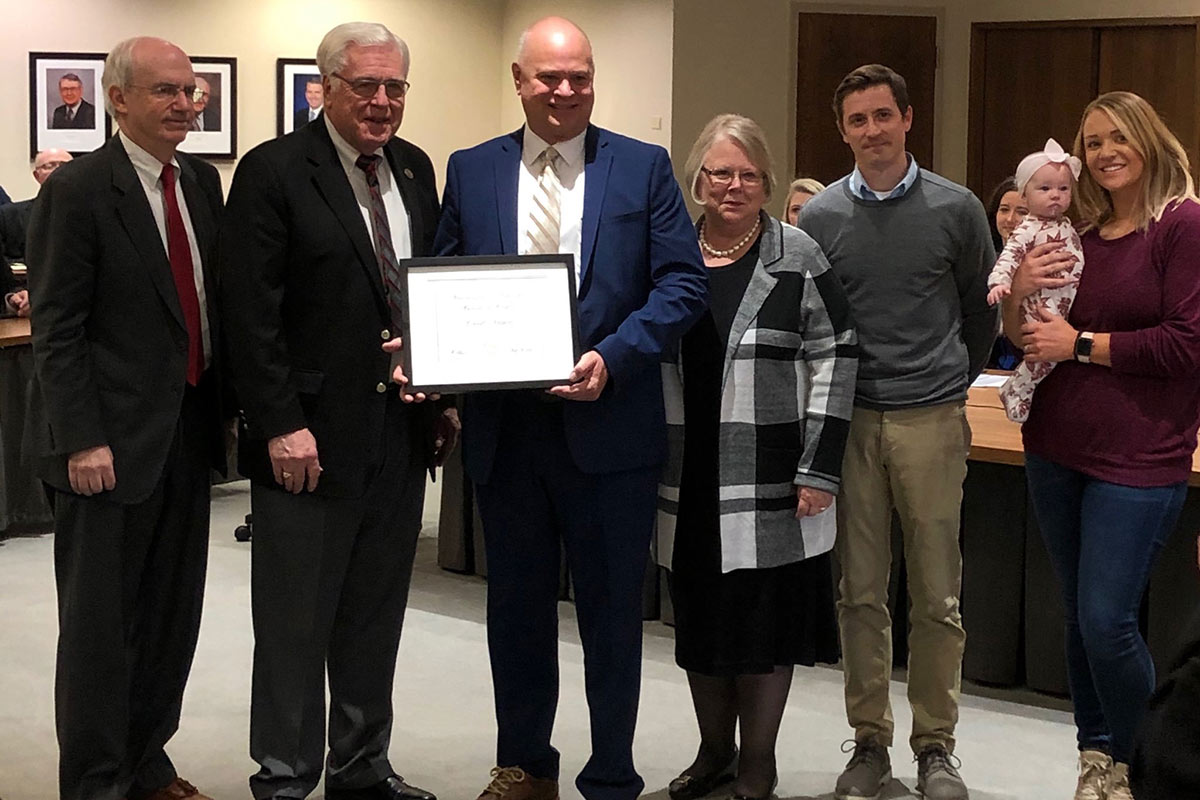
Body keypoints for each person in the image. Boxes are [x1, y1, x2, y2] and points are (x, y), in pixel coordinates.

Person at [434, 16, 707, 800]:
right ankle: (524, 767)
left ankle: (612, 776)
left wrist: (613, 357)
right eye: (549, 77)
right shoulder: (473, 168)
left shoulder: (644, 167)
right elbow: (448, 280)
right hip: (508, 435)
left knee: (612, 620)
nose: (564, 90)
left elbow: (681, 284)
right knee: (514, 615)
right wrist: (429, 347)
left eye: (579, 76)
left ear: (593, 80)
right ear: (519, 81)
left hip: (610, 432)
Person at [219, 21, 456, 800]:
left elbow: (430, 294)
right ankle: (285, 779)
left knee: (373, 617)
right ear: (325, 88)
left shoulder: (416, 170)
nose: (382, 102)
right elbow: (249, 315)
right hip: (307, 443)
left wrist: (444, 388)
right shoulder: (274, 171)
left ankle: (361, 768)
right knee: (294, 625)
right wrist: (280, 423)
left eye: (395, 88)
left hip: (397, 433)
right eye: (366, 86)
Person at [27, 36, 226, 800]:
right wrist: (81, 438)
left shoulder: (201, 185)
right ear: (117, 99)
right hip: (104, 450)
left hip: (185, 437)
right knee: (102, 634)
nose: (183, 105)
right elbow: (58, 326)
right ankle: (97, 781)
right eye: (165, 92)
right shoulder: (77, 192)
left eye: (191, 92)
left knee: (171, 620)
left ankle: (148, 761)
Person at [795, 63, 995, 800]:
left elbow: (981, 313)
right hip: (851, 424)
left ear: (907, 119)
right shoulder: (819, 220)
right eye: (857, 121)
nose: (872, 132)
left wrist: (947, 381)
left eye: (883, 116)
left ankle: (936, 748)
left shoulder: (958, 208)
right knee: (860, 593)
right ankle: (871, 742)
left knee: (939, 596)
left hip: (933, 421)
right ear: (843, 130)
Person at [1005, 90, 1200, 800]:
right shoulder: (1078, 227)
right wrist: (1015, 292)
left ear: (1149, 139)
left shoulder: (1182, 225)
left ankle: (1160, 768)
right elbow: (1024, 330)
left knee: (1106, 619)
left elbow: (1189, 343)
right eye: (1091, 142)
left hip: (1140, 458)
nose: (1105, 151)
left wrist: (1081, 345)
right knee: (1076, 616)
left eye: (1118, 137)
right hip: (1055, 444)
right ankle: (1099, 761)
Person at [657, 114, 856, 800]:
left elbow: (838, 353)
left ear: (767, 182)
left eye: (747, 174)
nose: (732, 186)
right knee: (702, 616)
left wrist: (819, 464)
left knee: (762, 622)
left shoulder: (797, 254)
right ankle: (712, 751)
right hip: (685, 469)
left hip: (773, 470)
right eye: (719, 173)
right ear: (697, 181)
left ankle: (757, 764)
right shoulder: (669, 251)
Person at [987, 139, 1084, 422]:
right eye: (1045, 189)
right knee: (1044, 355)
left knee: (1051, 355)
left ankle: (1020, 388)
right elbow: (1009, 257)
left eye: (1063, 189)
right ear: (1026, 196)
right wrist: (1000, 283)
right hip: (1041, 304)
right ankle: (1017, 389)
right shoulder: (1027, 229)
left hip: (1065, 299)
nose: (1055, 196)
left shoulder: (1067, 225)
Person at [984, 177, 1027, 370]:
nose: (1010, 220)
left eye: (1021, 212)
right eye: (1004, 210)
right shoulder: (981, 259)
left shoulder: (1047, 261)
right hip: (987, 354)